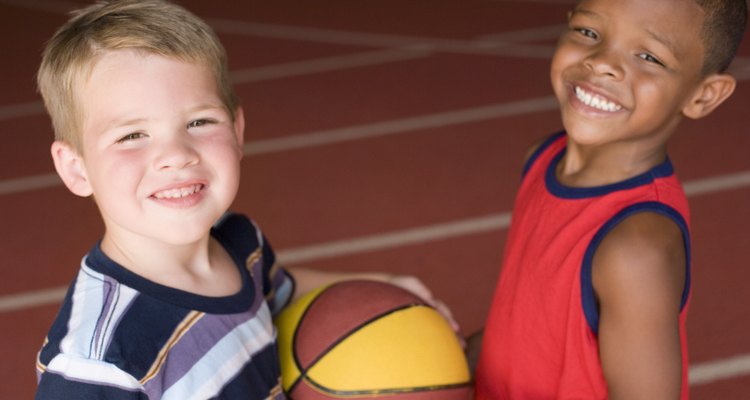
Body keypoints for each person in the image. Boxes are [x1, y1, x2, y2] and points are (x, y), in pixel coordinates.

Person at [33, 1, 454, 399]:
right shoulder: (96, 363)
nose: (177, 155)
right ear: (75, 168)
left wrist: (383, 285)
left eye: (199, 122)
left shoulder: (240, 242)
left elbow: (279, 284)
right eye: (131, 135)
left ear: (237, 131)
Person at [471, 0, 747, 398]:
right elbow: (529, 318)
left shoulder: (636, 246)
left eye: (649, 56)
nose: (602, 63)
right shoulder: (541, 159)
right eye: (588, 32)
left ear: (703, 96)